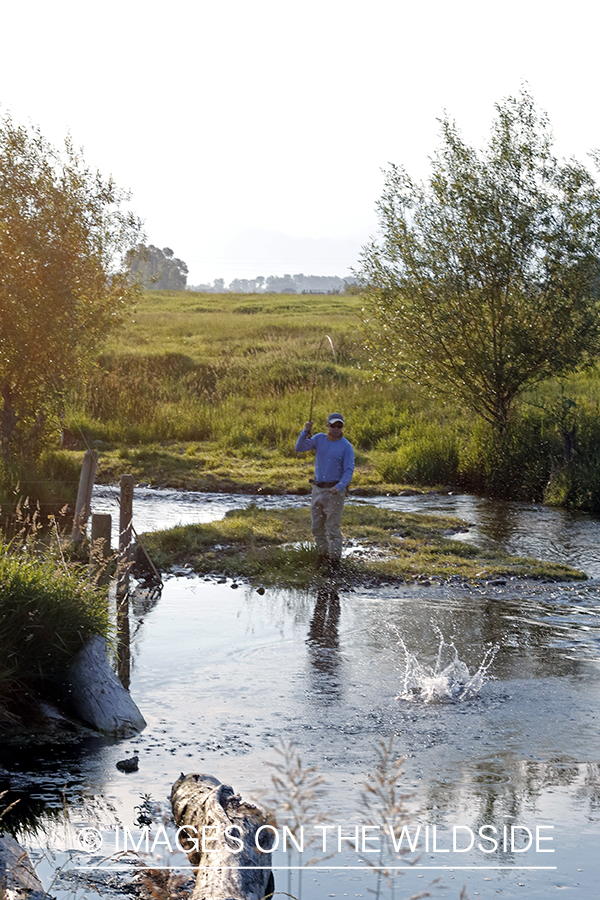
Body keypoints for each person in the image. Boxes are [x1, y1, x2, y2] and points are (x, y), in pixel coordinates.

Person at [295, 413, 355, 572]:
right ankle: (322, 558)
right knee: (317, 527)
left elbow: (349, 470)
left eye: (339, 426)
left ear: (342, 427)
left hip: (335, 491)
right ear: (327, 425)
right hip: (317, 489)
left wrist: (340, 486)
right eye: (333, 425)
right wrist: (305, 431)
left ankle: (334, 563)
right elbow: (299, 447)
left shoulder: (346, 446)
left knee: (332, 528)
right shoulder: (319, 439)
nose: (335, 429)